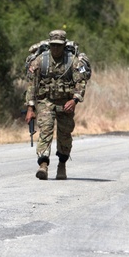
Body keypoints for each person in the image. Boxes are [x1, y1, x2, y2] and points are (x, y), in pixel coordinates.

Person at [24, 30, 91, 180]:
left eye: (59, 46)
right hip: (46, 101)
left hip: (65, 103)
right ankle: (43, 165)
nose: (56, 49)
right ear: (49, 45)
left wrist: (74, 100)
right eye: (53, 45)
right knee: (45, 130)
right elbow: (32, 86)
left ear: (64, 45)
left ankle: (62, 164)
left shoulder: (72, 62)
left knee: (65, 134)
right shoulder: (41, 61)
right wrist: (30, 108)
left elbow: (81, 82)